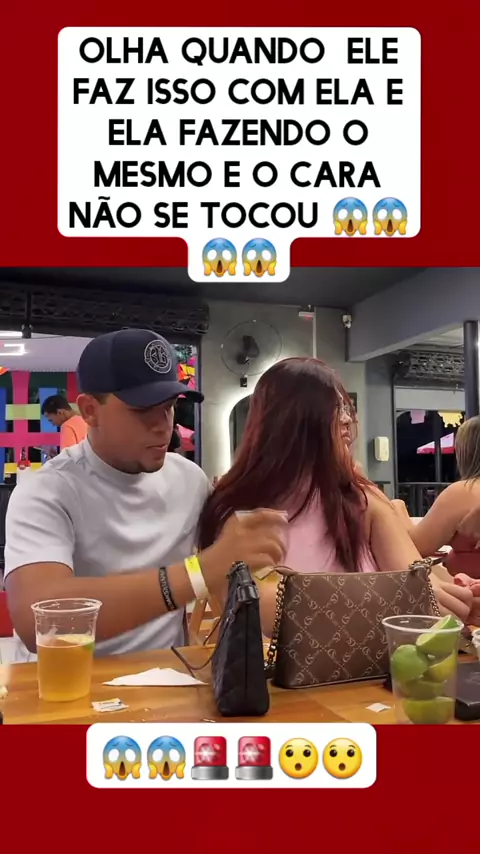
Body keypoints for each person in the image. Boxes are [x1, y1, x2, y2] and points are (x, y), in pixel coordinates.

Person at [4, 329, 285, 660]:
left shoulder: (189, 480)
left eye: (169, 407)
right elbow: (39, 618)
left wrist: (319, 614)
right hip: (69, 680)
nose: (164, 425)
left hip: (167, 679)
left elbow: (229, 582)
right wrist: (198, 573)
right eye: (142, 410)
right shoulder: (46, 491)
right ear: (90, 410)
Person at [198, 357, 478, 633]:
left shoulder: (362, 498)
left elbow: (418, 582)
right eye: (333, 408)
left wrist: (458, 595)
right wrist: (398, 597)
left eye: (345, 407)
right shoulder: (240, 512)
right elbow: (268, 613)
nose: (346, 420)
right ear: (294, 421)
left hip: (376, 660)